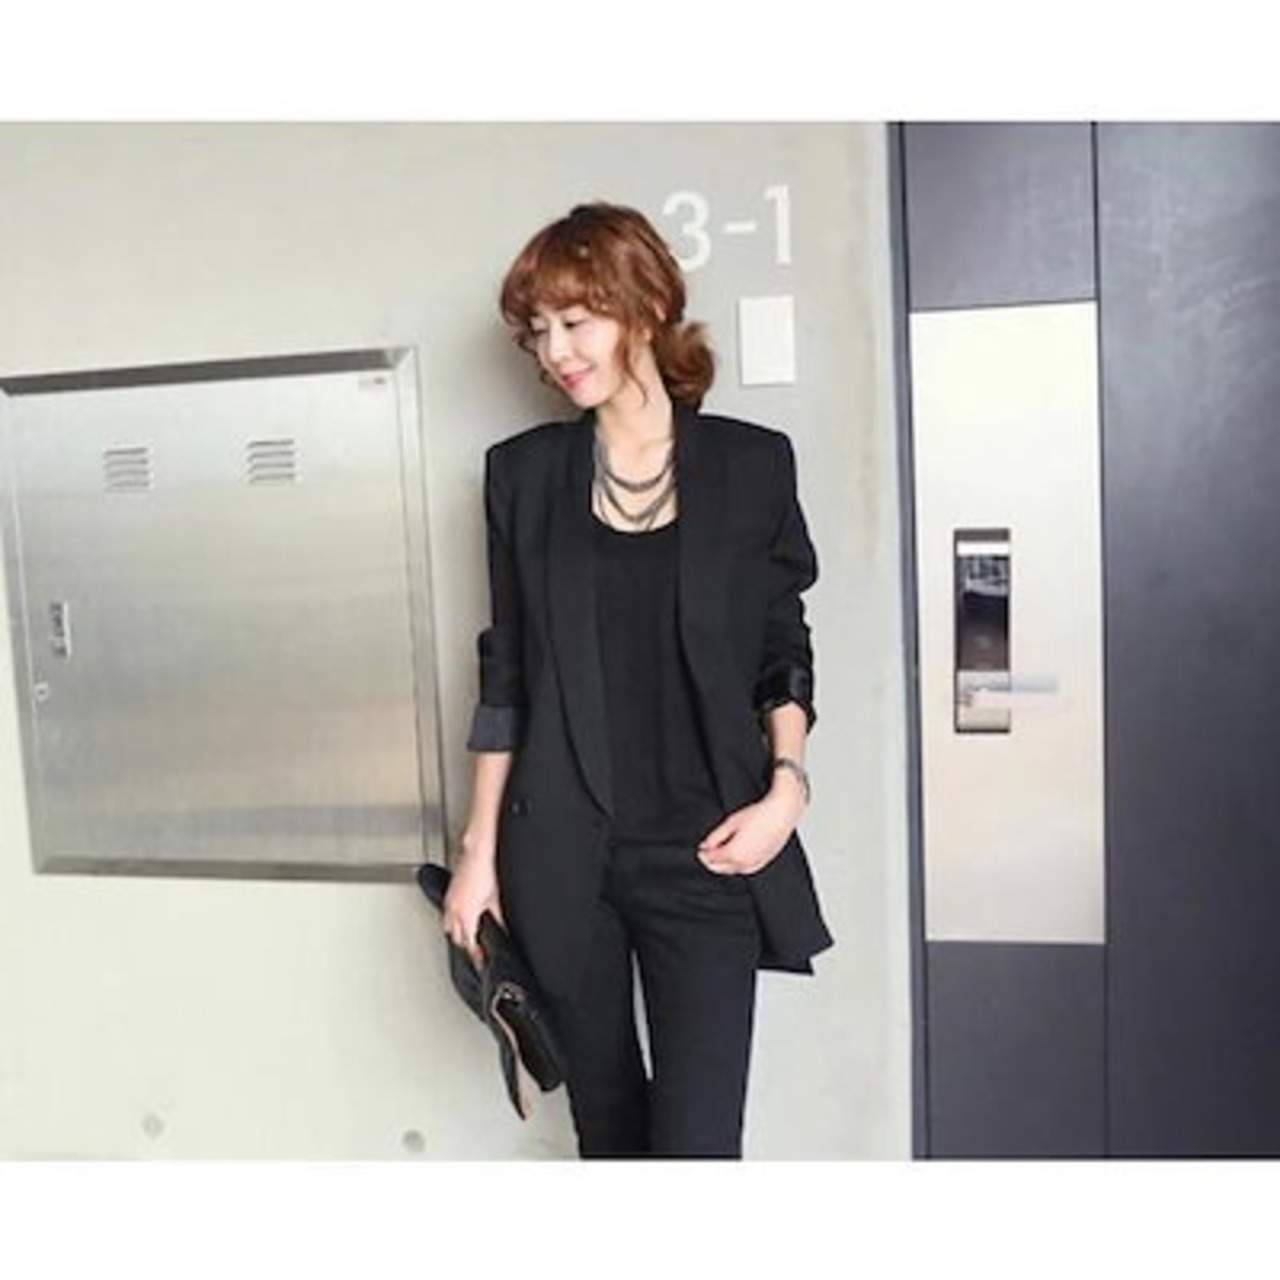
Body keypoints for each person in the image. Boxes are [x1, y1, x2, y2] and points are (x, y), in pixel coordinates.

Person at [443, 201, 831, 1159]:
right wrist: (478, 854)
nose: (555, 351)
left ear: (645, 307)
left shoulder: (751, 465)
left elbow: (781, 642)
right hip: (563, 858)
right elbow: (508, 672)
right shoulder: (522, 477)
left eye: (576, 321)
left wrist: (787, 789)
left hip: (707, 853)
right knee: (608, 1135)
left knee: (698, 1148)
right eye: (538, 331)